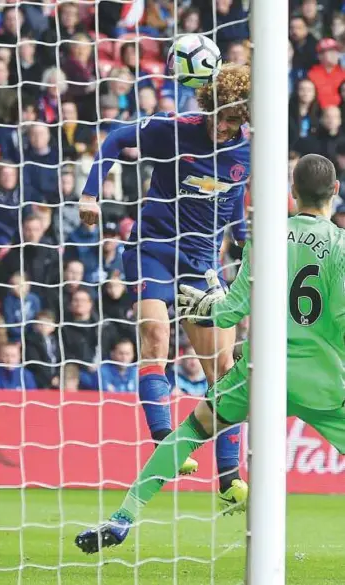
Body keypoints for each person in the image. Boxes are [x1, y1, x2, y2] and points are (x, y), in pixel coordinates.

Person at [75, 153, 345, 554]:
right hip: (322, 381)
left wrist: (202, 305)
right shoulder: (340, 247)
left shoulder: (266, 237)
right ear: (335, 192)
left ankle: (122, 517)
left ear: (293, 192)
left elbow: (230, 310)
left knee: (188, 433)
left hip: (261, 375)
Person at [78, 64, 250, 499]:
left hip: (201, 262)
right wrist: (90, 194)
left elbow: (234, 205)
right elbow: (118, 137)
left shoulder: (247, 155)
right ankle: (163, 441)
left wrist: (246, 245)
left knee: (224, 372)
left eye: (232, 119)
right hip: (154, 248)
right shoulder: (177, 129)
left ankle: (229, 478)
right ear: (207, 106)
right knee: (155, 335)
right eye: (218, 115)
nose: (222, 125)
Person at [25, 310, 60, 389]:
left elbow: (59, 359)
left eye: (47, 323)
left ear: (53, 326)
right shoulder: (31, 341)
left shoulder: (56, 341)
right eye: (40, 323)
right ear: (35, 326)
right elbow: (35, 363)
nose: (44, 325)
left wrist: (57, 375)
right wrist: (50, 378)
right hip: (40, 376)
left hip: (55, 376)